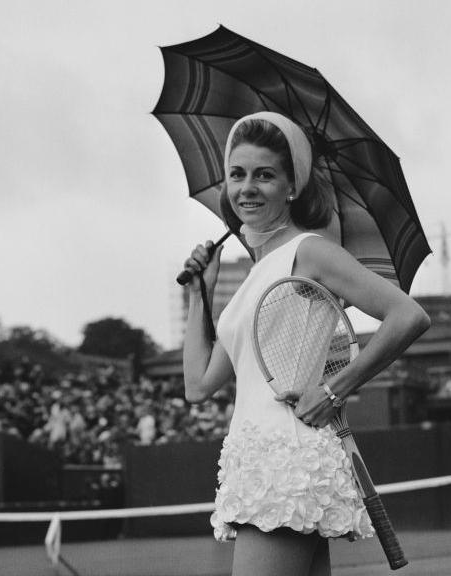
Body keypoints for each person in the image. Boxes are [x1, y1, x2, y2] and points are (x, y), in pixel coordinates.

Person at [181, 111, 430, 576]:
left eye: (265, 175)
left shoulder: (310, 251)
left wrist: (335, 388)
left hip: (285, 462)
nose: (247, 187)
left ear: (292, 187)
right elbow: (198, 384)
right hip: (261, 461)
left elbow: (408, 316)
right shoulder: (255, 273)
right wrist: (201, 293)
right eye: (237, 174)